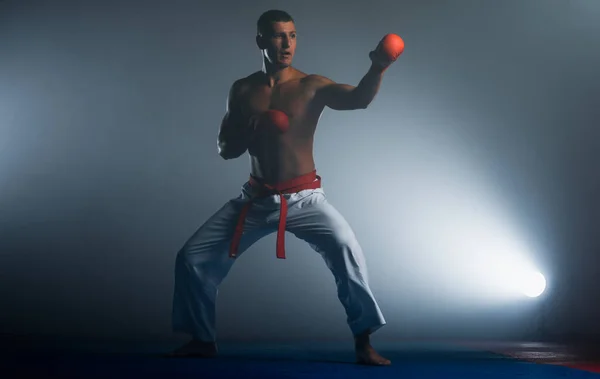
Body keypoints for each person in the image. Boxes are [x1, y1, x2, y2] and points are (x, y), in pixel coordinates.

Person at [168, 9, 403, 366]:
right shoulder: (243, 90)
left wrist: (378, 67)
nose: (286, 44)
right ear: (261, 40)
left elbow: (358, 99)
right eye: (278, 36)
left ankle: (363, 342)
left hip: (305, 199)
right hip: (257, 199)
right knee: (191, 258)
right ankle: (202, 339)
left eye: (292, 35)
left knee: (346, 248)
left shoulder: (311, 86)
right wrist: (251, 128)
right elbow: (225, 150)